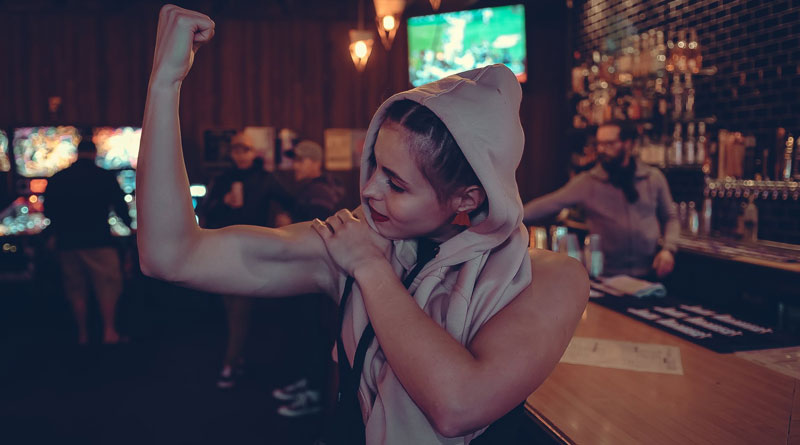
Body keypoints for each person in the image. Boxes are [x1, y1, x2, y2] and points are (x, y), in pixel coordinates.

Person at [137, 5, 588, 444]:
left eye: (396, 183)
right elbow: (171, 256)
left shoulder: (549, 278)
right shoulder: (355, 239)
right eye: (373, 166)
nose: (369, 191)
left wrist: (370, 268)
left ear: (467, 197)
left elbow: (458, 406)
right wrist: (164, 85)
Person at [197, 131, 294, 389]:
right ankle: (237, 357)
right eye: (236, 150)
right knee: (230, 308)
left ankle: (230, 363)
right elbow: (203, 211)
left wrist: (285, 218)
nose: (240, 155)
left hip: (251, 249)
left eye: (245, 149)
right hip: (223, 248)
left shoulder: (266, 178)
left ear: (254, 153)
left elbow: (291, 201)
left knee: (240, 307)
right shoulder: (223, 179)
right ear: (231, 152)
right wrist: (224, 202)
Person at [523, 122, 679, 279]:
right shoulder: (588, 182)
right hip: (606, 275)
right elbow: (549, 203)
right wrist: (515, 218)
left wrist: (668, 249)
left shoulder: (653, 178)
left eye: (609, 144)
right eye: (599, 144)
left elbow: (670, 218)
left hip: (650, 272)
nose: (602, 150)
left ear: (628, 143)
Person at [271, 139, 345, 417]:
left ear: (316, 163)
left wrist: (287, 226)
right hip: (312, 274)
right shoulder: (314, 188)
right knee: (306, 334)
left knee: (312, 334)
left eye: (302, 160)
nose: (296, 166)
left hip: (314, 275)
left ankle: (312, 395)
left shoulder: (318, 192)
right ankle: (307, 384)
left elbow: (319, 234)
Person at [44, 139, 132, 345]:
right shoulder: (104, 176)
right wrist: (130, 227)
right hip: (99, 240)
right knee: (108, 287)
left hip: (68, 243)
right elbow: (120, 207)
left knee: (76, 289)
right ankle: (109, 332)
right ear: (94, 153)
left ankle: (83, 334)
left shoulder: (58, 178)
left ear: (77, 153)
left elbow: (48, 212)